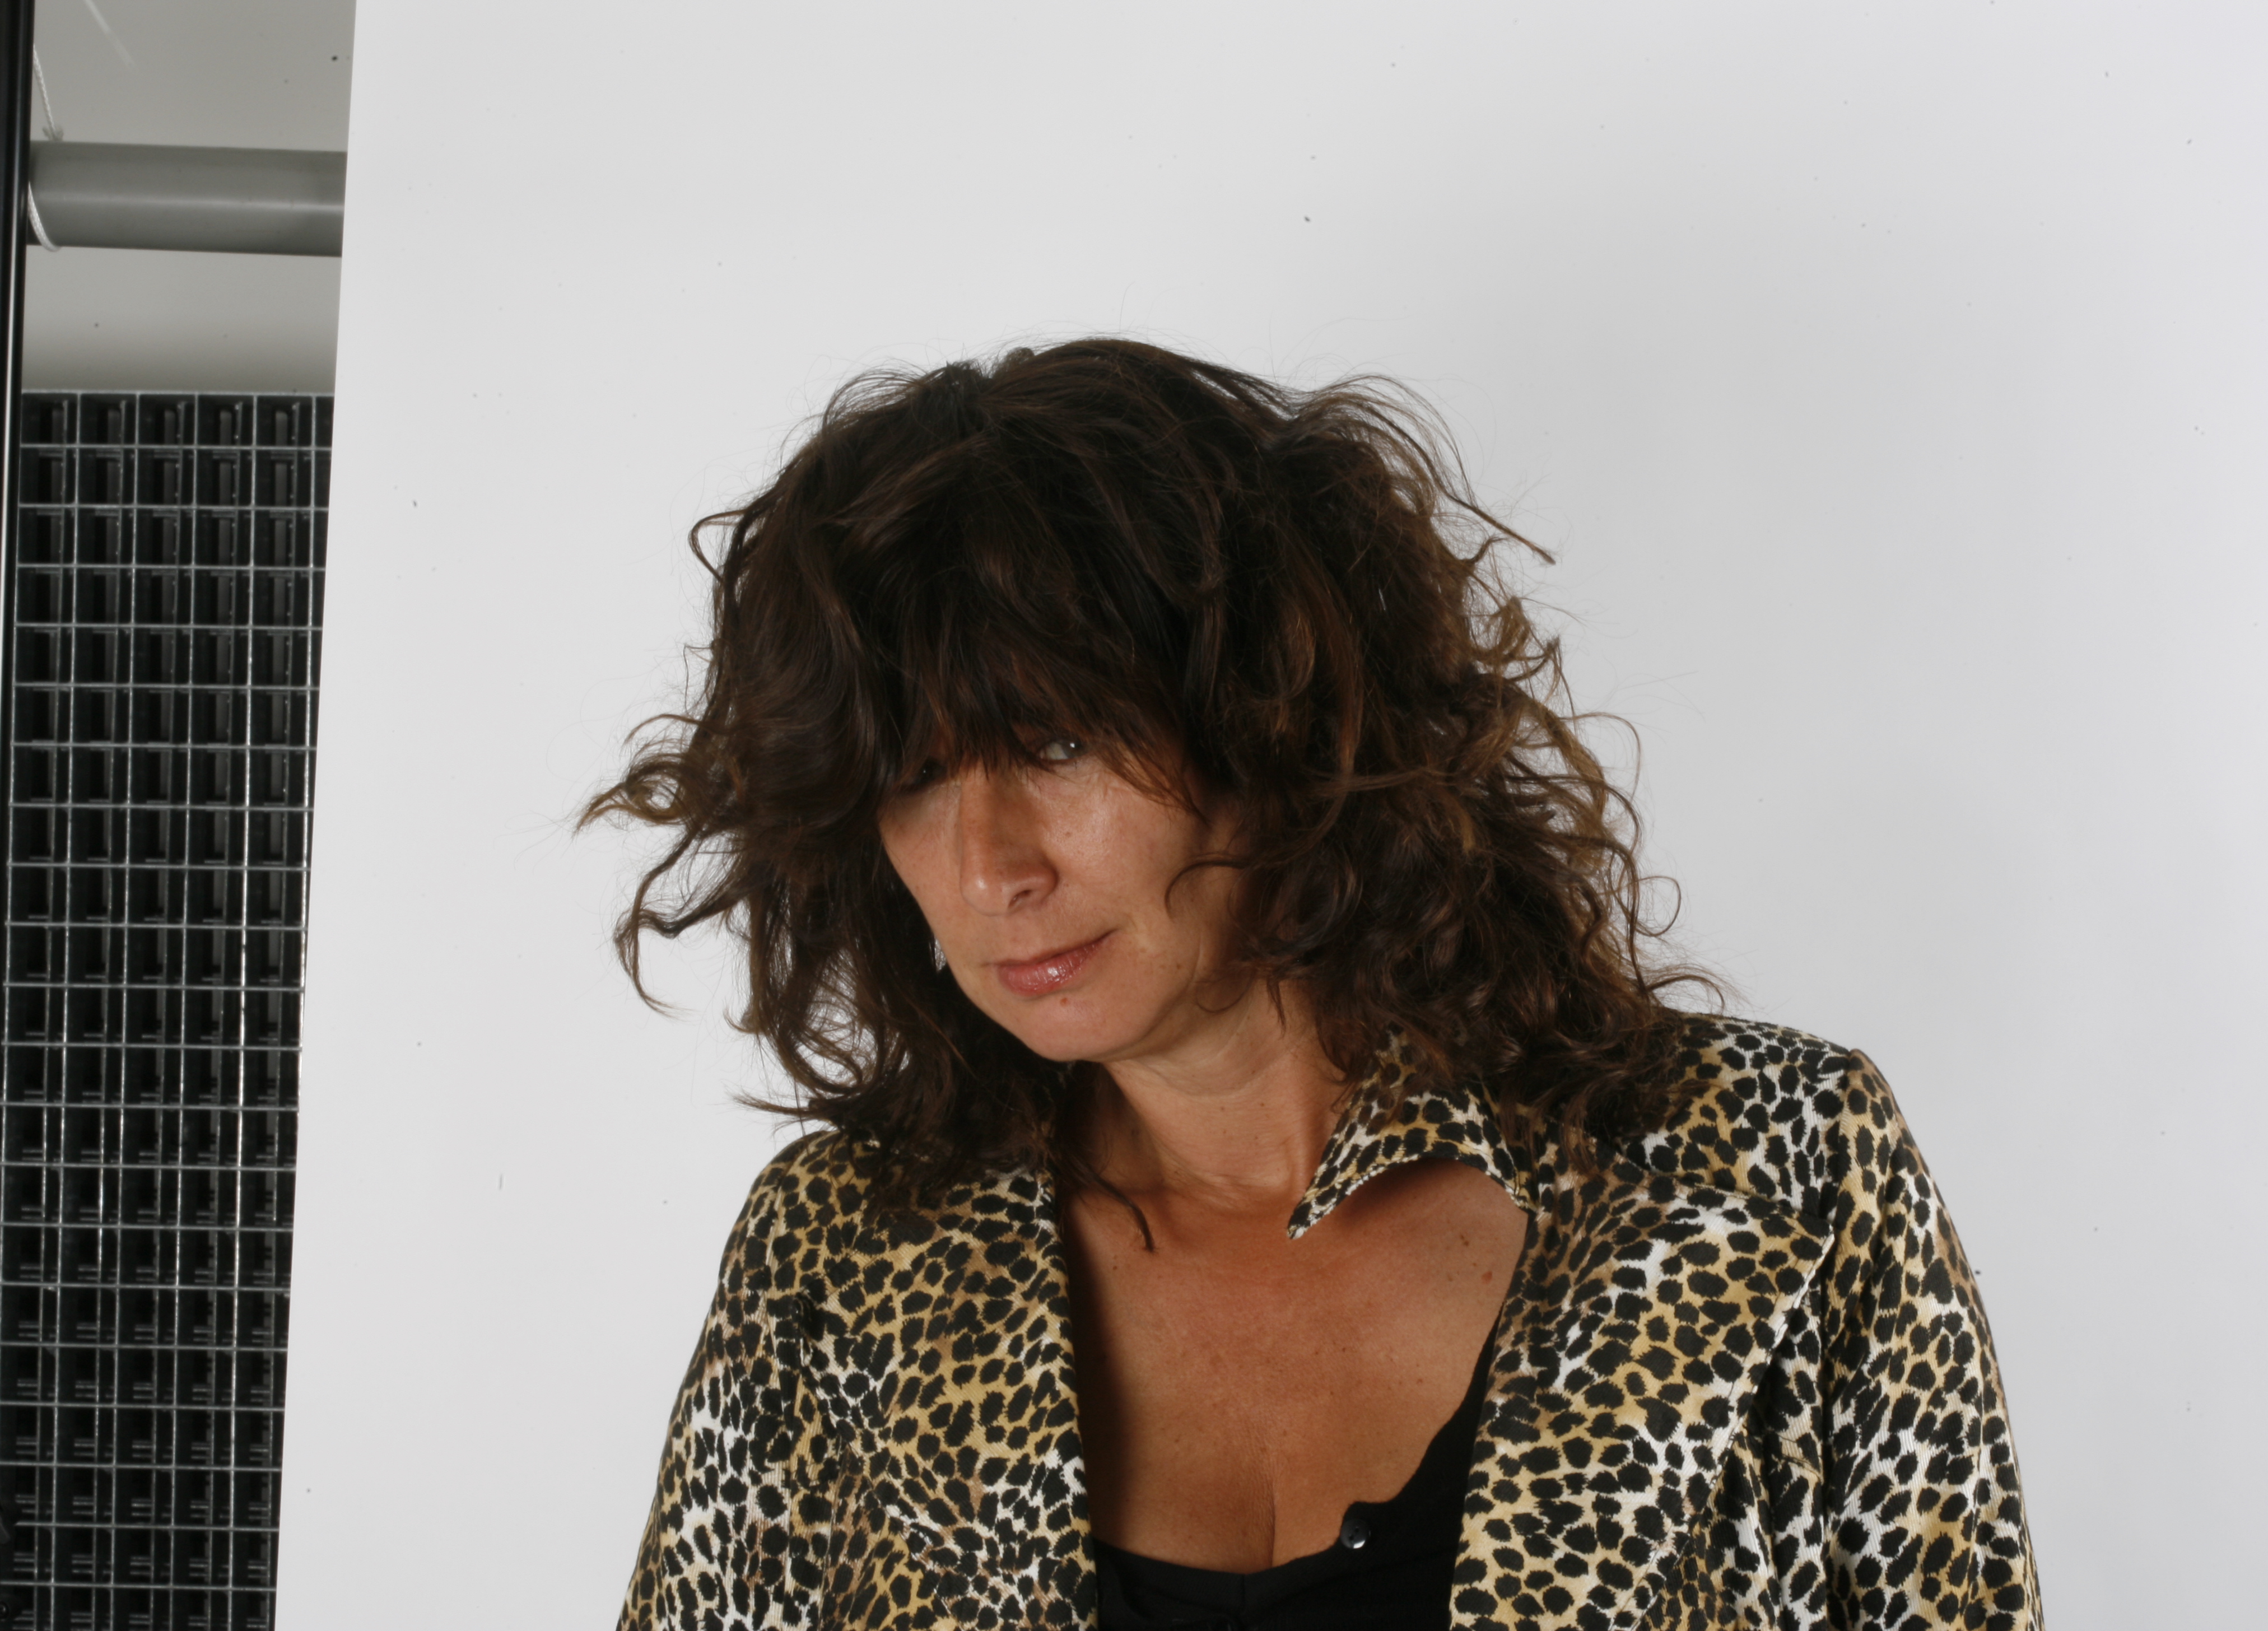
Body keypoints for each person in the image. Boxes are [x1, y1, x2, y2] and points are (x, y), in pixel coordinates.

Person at [597, 339, 2042, 1630]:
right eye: (913, 778)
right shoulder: (844, 1255)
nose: (989, 869)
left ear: (1273, 721)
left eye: (1056, 745)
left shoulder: (1768, 1168)